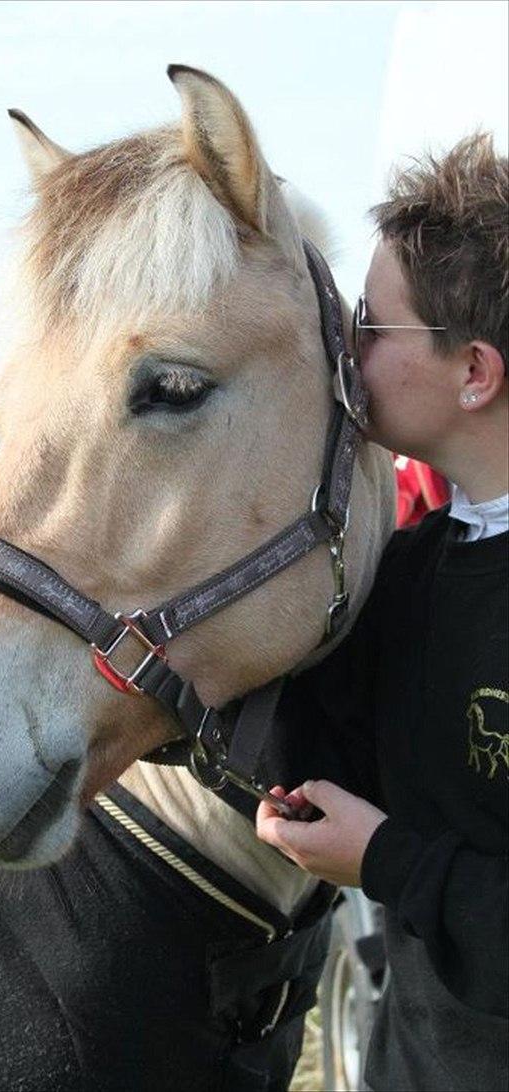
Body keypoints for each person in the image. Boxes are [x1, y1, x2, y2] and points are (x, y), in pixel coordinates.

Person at [255, 132, 508, 1092]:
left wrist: (389, 861)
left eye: (369, 323)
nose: (343, 349)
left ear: (474, 372)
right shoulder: (413, 570)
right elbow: (314, 751)